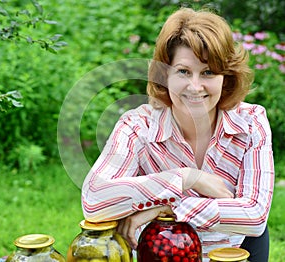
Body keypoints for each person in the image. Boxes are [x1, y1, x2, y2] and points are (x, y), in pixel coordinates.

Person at [82, 7, 274, 262]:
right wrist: (185, 178)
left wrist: (168, 207)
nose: (195, 86)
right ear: (165, 75)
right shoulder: (138, 125)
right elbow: (94, 199)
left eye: (208, 72)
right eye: (183, 71)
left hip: (235, 253)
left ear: (226, 77)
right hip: (162, 254)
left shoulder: (250, 122)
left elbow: (255, 216)